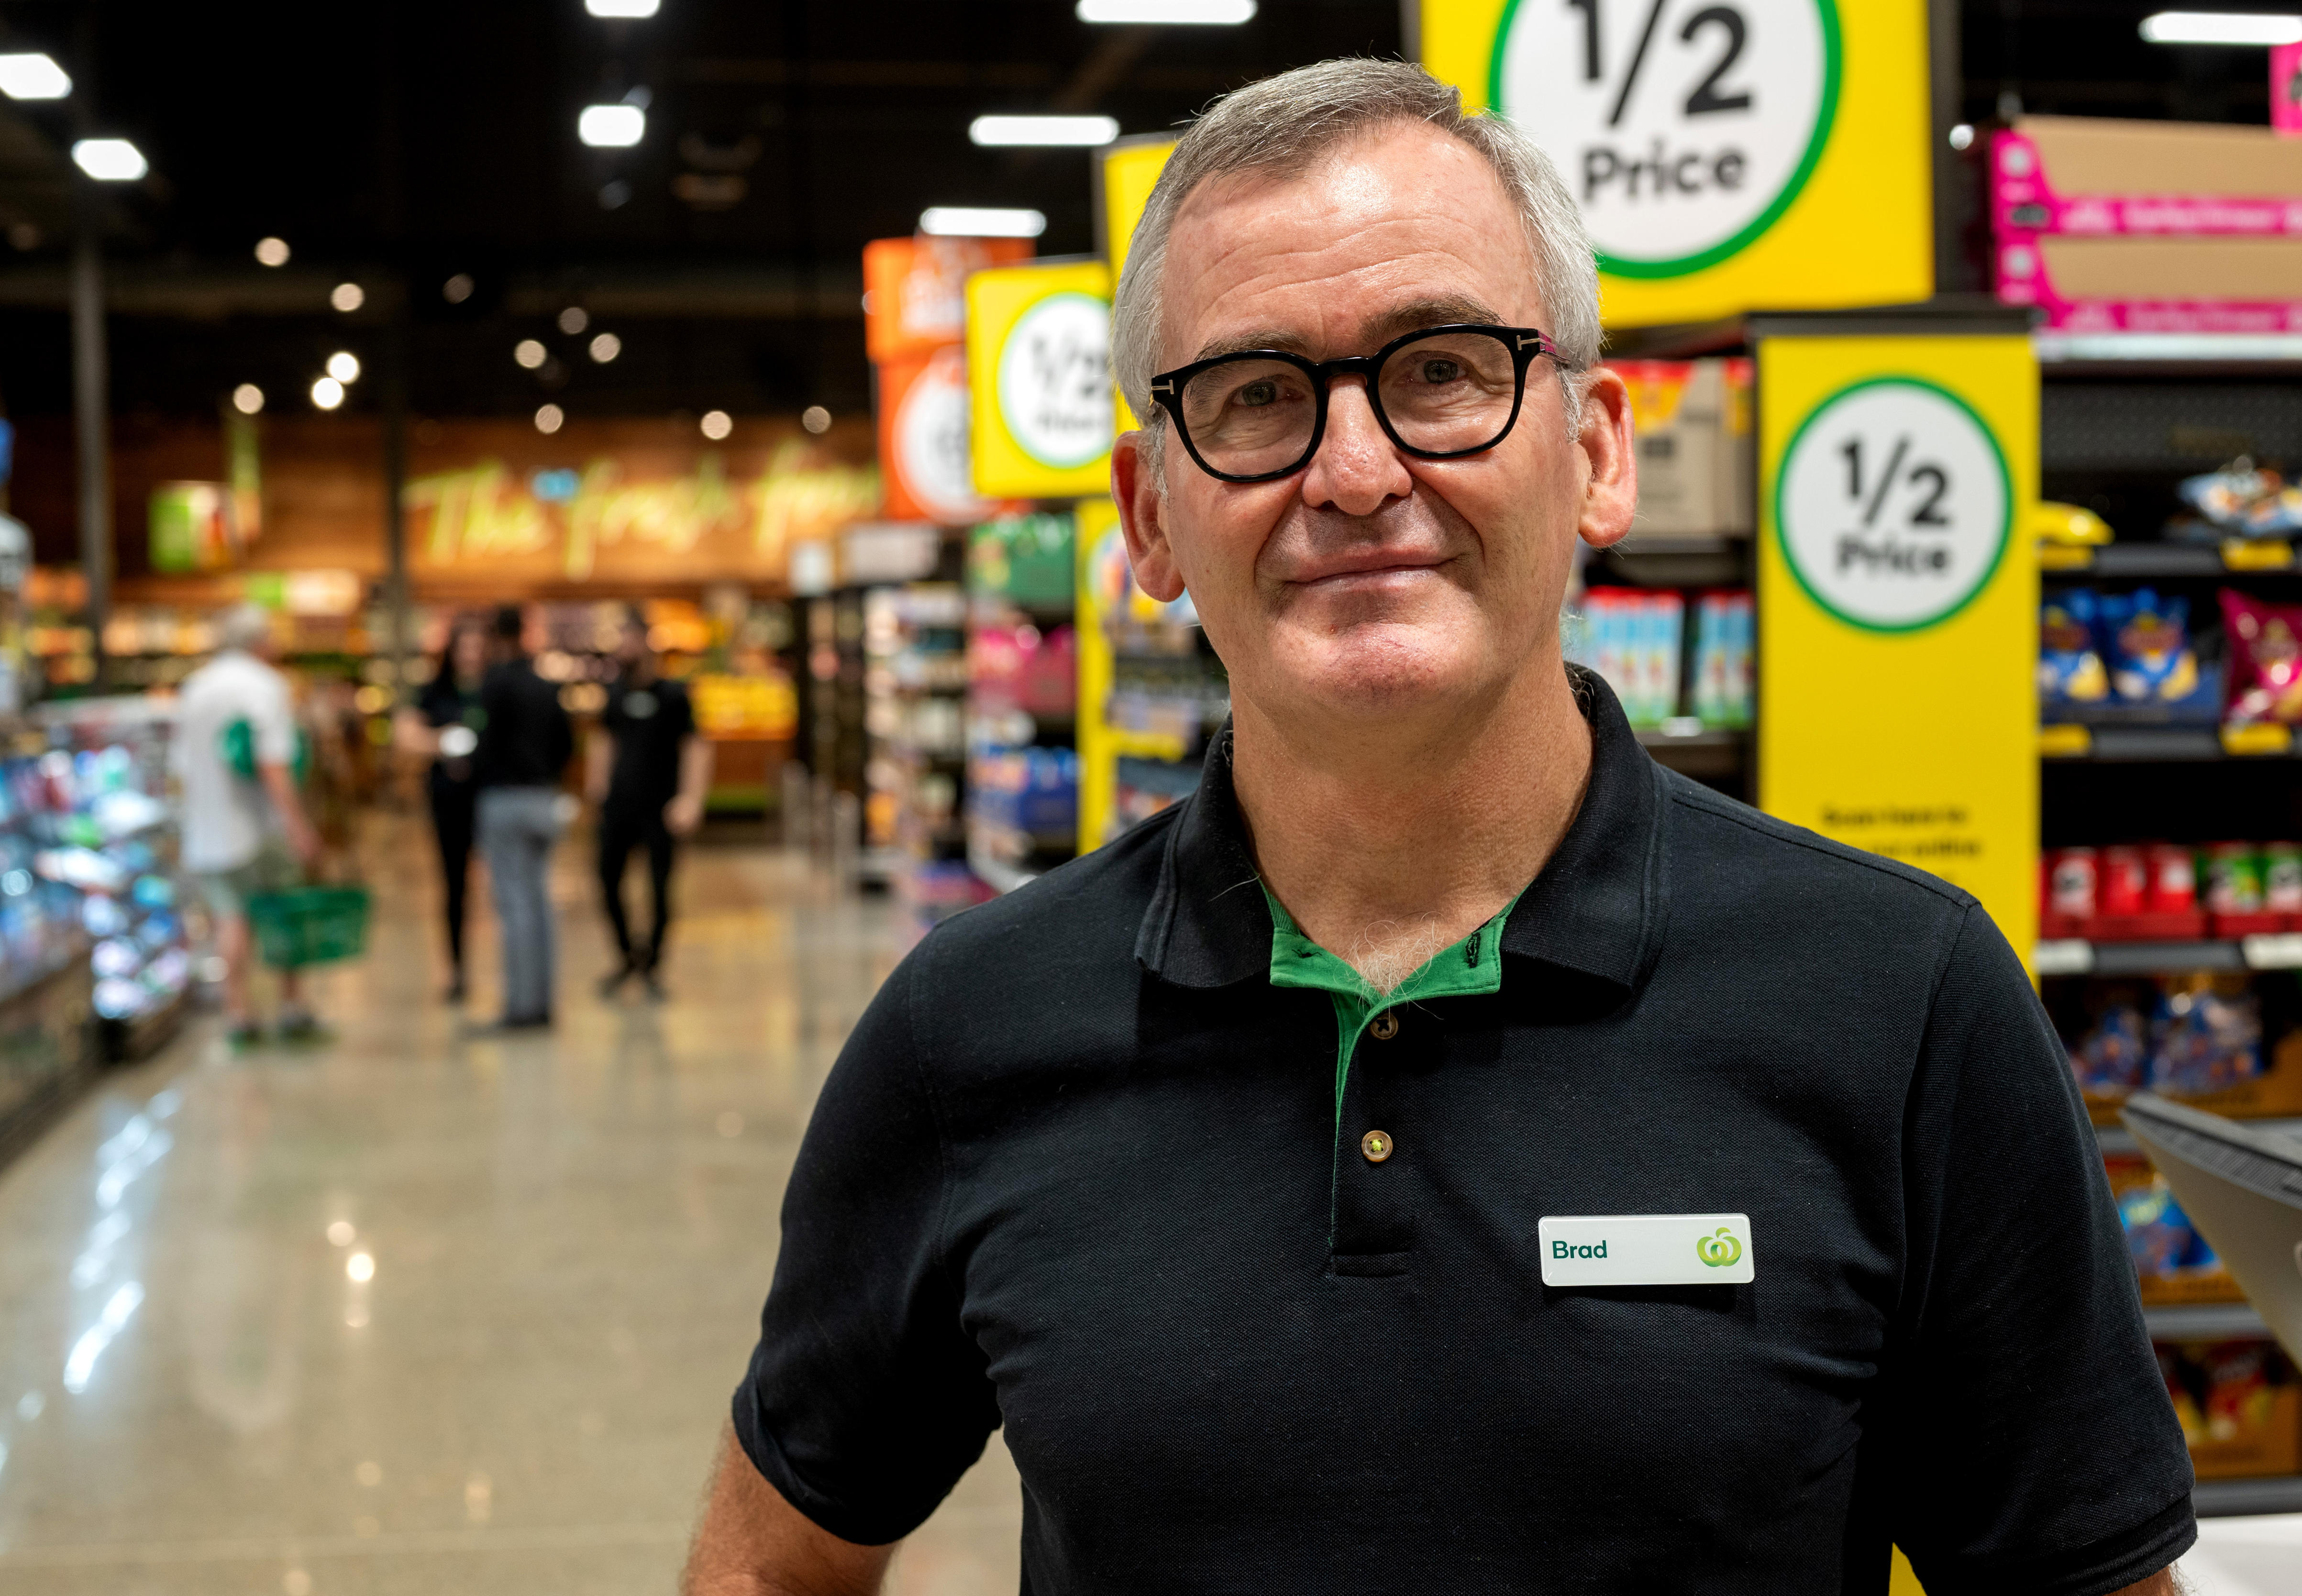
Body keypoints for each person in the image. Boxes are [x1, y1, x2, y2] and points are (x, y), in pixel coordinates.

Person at [686, 60, 2191, 1596]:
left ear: (1596, 448)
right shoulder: (971, 1023)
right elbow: (770, 1556)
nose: (1351, 473)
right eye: (1255, 395)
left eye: (1441, 369)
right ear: (1147, 514)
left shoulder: (1900, 999)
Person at [177, 602, 321, 1044]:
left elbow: (181, 763)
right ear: (260, 641)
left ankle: (238, 1013)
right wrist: (298, 824)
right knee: (282, 913)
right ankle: (292, 1005)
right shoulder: (265, 686)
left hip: (208, 826)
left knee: (230, 918)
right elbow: (273, 762)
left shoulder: (195, 687)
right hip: (259, 826)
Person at [585, 612, 710, 998]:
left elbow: (696, 747)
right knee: (608, 880)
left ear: (646, 641)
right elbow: (603, 740)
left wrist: (690, 799)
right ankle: (627, 956)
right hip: (620, 807)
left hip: (660, 807)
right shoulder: (615, 693)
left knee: (659, 889)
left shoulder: (673, 695)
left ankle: (653, 964)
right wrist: (597, 786)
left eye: (629, 637)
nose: (625, 646)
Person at [472, 606, 573, 1031]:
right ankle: (544, 1000)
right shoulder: (546, 686)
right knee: (540, 904)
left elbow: (482, 742)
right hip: (542, 798)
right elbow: (566, 745)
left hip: (505, 800)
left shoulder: (494, 685)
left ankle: (521, 1006)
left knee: (514, 906)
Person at [394, 618, 486, 1004]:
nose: (471, 656)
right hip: (449, 799)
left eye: (477, 647)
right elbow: (406, 735)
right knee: (454, 885)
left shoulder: (495, 688)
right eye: (464, 647)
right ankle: (457, 968)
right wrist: (443, 743)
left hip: (491, 799)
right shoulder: (435, 691)